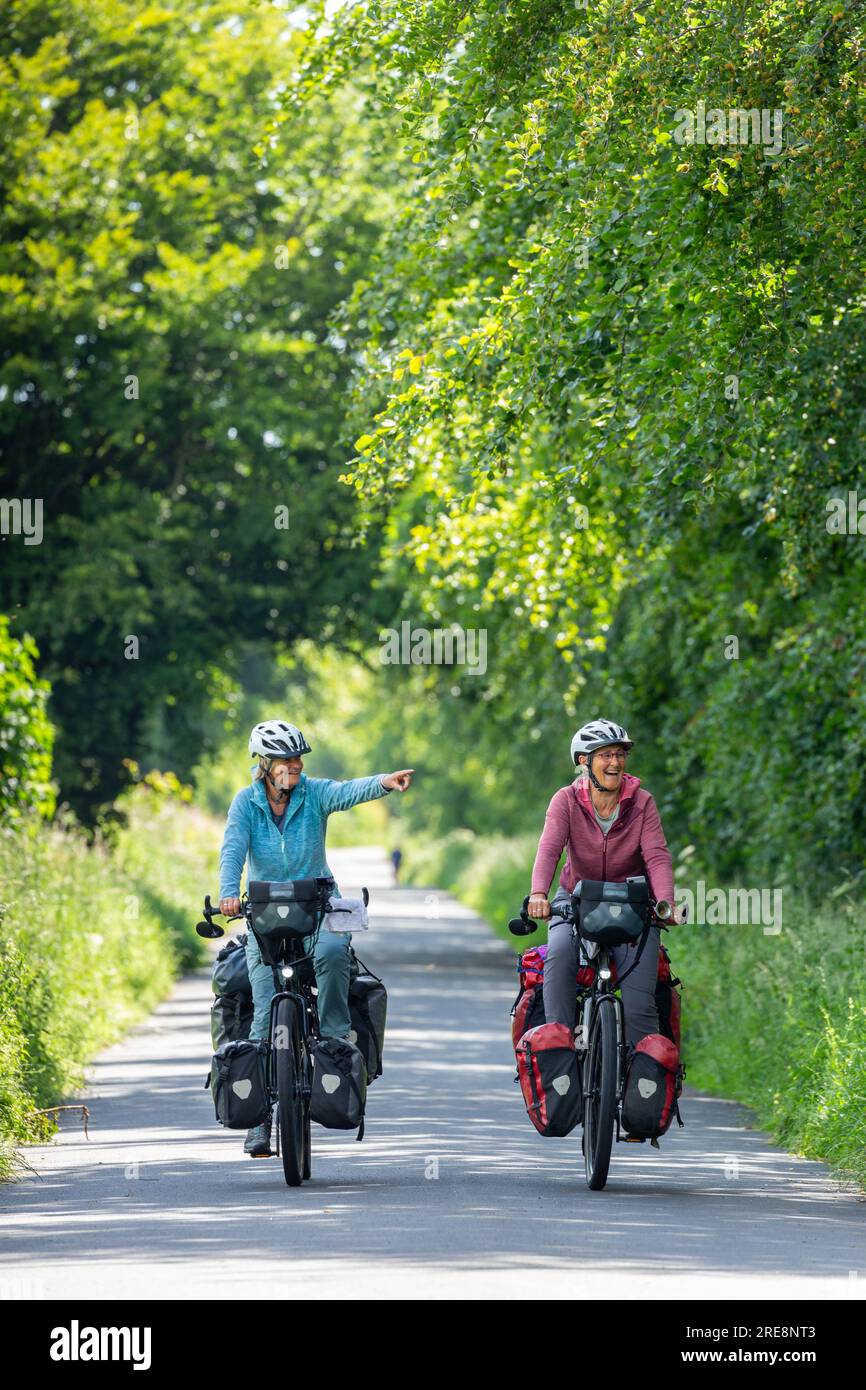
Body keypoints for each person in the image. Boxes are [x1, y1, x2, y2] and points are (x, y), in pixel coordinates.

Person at [218, 719, 413, 1155]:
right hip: (264, 914)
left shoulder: (313, 794)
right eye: (288, 759)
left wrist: (383, 782)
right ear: (265, 765)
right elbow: (232, 850)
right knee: (266, 1008)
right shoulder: (245, 804)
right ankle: (262, 1118)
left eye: (299, 758)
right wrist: (231, 894)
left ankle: (334, 1041)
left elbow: (347, 791)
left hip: (319, 907)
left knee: (330, 953)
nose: (297, 765)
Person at [527, 718, 678, 1054]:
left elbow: (656, 856)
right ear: (584, 761)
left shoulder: (642, 803)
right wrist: (539, 894)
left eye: (620, 754)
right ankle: (559, 1050)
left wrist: (665, 903)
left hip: (633, 903)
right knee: (560, 956)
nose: (615, 762)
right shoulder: (565, 800)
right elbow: (550, 848)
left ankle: (640, 1082)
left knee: (640, 1006)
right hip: (577, 898)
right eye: (606, 755)